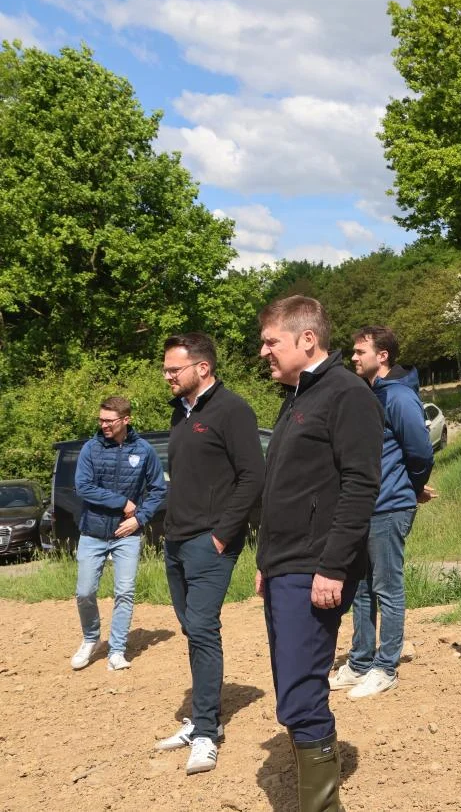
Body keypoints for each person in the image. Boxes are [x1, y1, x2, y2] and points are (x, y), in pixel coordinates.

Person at [256, 296, 383, 811]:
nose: (263, 351)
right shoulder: (298, 396)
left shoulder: (346, 394)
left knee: (303, 692)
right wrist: (268, 563)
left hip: (316, 567)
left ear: (307, 339)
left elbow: (359, 485)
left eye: (271, 341)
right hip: (286, 565)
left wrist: (332, 565)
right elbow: (285, 489)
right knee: (291, 686)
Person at [153, 332, 266, 774]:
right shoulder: (180, 413)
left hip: (209, 542)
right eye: (165, 369)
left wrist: (222, 533)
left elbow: (252, 476)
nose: (166, 376)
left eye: (173, 369)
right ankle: (203, 717)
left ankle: (205, 730)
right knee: (190, 628)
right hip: (176, 540)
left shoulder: (232, 410)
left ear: (202, 367)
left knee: (202, 627)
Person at [328, 326, 433, 700]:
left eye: (360, 351)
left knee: (387, 587)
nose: (353, 357)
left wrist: (411, 487)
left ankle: (385, 666)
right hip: (363, 507)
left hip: (389, 506)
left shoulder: (400, 397)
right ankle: (359, 662)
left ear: (382, 355)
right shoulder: (367, 394)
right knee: (359, 589)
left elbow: (420, 451)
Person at [71, 396, 167, 673]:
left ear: (126, 420)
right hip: (93, 532)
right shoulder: (90, 449)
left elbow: (158, 490)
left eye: (109, 421)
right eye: (101, 420)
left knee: (125, 592)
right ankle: (90, 639)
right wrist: (123, 503)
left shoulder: (144, 450)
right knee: (85, 592)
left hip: (127, 534)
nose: (103, 425)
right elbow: (84, 487)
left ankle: (116, 650)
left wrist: (138, 519)